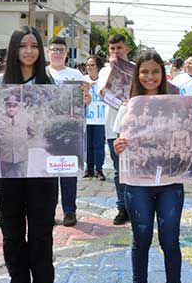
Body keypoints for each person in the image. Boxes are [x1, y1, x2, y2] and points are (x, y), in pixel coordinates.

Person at [0, 26, 58, 283]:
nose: (29, 51)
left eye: (34, 45)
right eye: (23, 45)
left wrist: (81, 101)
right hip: (6, 169)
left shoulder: (50, 84)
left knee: (41, 229)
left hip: (41, 170)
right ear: (13, 49)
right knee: (12, 230)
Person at [112, 51, 184, 283]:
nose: (150, 76)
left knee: (170, 240)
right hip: (137, 182)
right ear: (137, 75)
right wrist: (118, 146)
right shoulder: (127, 107)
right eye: (144, 71)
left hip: (170, 182)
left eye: (155, 71)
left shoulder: (176, 105)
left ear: (163, 74)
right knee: (140, 238)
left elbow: (191, 136)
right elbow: (117, 143)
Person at [47, 36, 89, 227]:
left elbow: (86, 101)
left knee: (68, 173)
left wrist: (86, 98)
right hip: (47, 130)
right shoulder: (41, 74)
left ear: (66, 53)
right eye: (54, 49)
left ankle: (69, 212)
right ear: (48, 52)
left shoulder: (76, 75)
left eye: (61, 50)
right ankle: (48, 212)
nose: (57, 53)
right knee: (47, 175)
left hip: (70, 131)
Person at [99, 34, 134, 225]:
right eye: (112, 49)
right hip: (114, 128)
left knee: (135, 169)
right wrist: (114, 70)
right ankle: (122, 207)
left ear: (126, 49)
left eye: (119, 48)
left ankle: (136, 206)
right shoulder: (105, 71)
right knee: (119, 170)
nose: (116, 52)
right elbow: (103, 93)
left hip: (134, 128)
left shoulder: (136, 69)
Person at [84, 55, 107, 180]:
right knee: (87, 146)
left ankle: (99, 169)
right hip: (86, 118)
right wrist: (86, 89)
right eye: (87, 65)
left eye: (92, 65)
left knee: (99, 145)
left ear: (98, 67)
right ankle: (89, 168)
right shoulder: (83, 79)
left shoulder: (104, 80)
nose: (89, 67)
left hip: (100, 119)